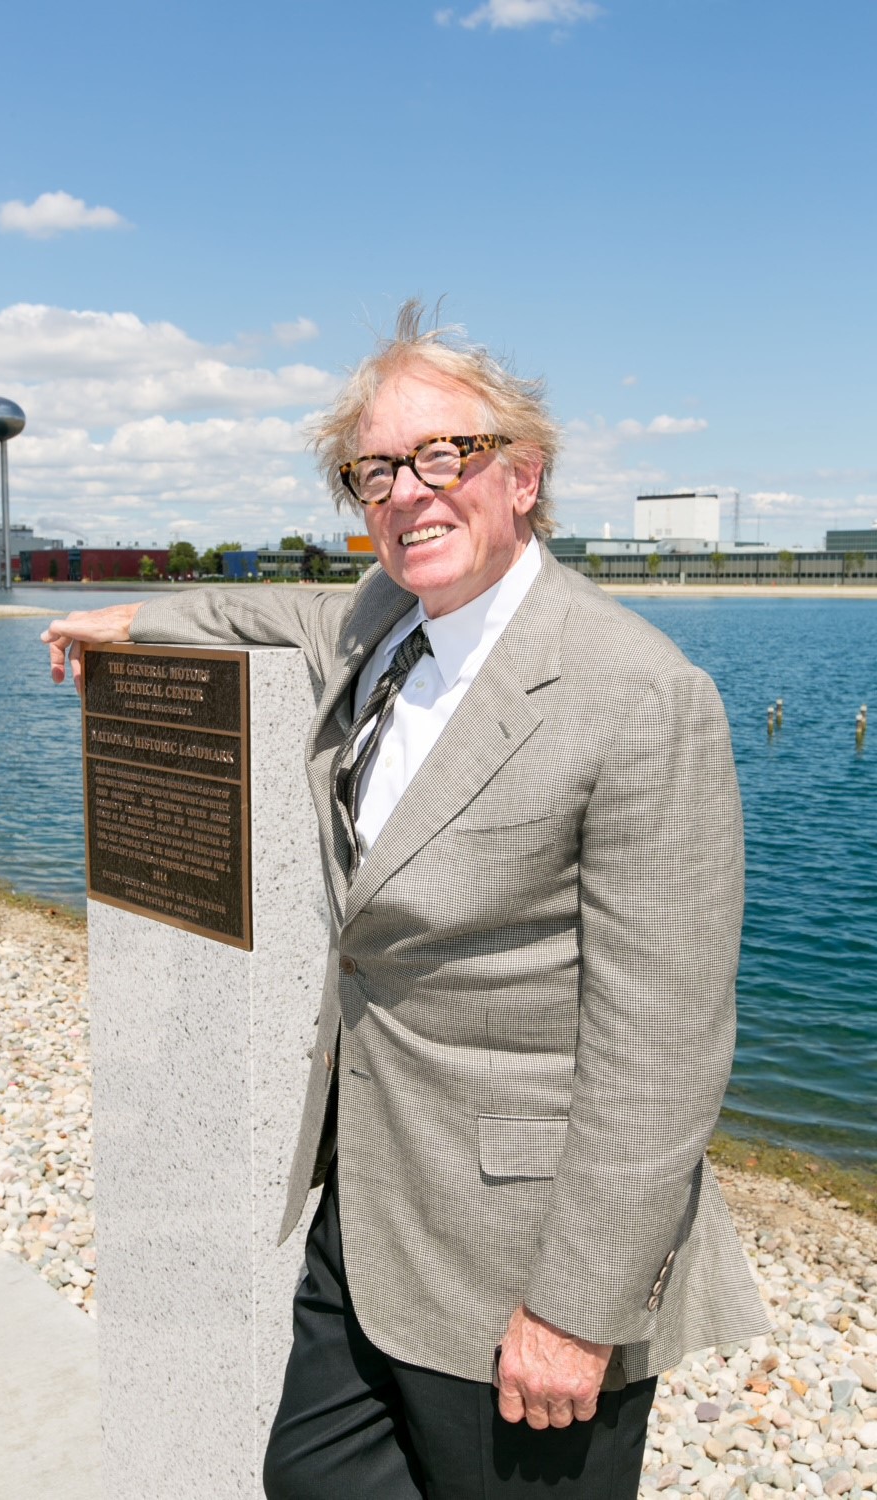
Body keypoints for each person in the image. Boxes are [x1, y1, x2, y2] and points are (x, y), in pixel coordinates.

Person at [43, 304, 769, 1499]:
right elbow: (277, 612)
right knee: (309, 1477)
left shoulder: (638, 695)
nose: (408, 491)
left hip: (521, 1259)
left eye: (446, 455)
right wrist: (135, 618)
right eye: (376, 470)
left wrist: (577, 1312)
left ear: (523, 476)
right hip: (366, 1202)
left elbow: (666, 1045)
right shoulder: (388, 617)